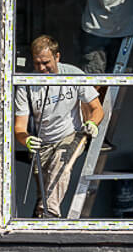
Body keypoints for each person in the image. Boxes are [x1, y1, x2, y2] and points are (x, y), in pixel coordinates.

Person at [12, 34, 103, 218]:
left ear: (57, 57)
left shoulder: (74, 75)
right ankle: (41, 223)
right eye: (37, 63)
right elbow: (19, 128)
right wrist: (27, 139)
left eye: (46, 62)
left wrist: (92, 123)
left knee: (61, 164)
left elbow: (97, 109)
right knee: (44, 194)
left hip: (71, 134)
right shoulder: (27, 84)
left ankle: (49, 217)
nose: (41, 68)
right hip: (43, 144)